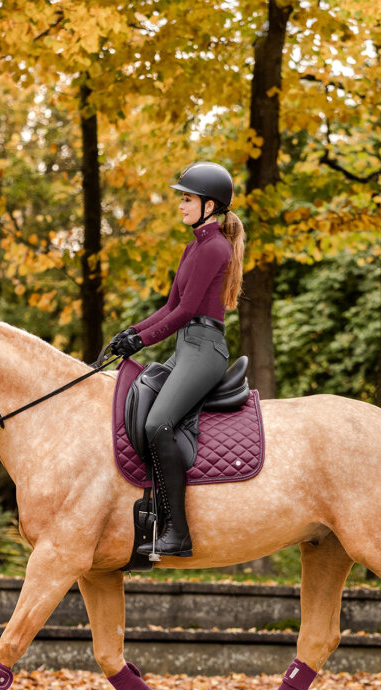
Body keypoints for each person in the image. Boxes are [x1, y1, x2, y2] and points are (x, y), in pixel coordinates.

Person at [109, 161, 245, 558]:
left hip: (205, 350)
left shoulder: (216, 246)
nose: (180, 205)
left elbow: (185, 311)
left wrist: (143, 340)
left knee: (158, 422)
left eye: (186, 199)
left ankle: (178, 532)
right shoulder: (194, 246)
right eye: (182, 198)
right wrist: (131, 333)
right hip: (186, 348)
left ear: (209, 204)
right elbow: (169, 305)